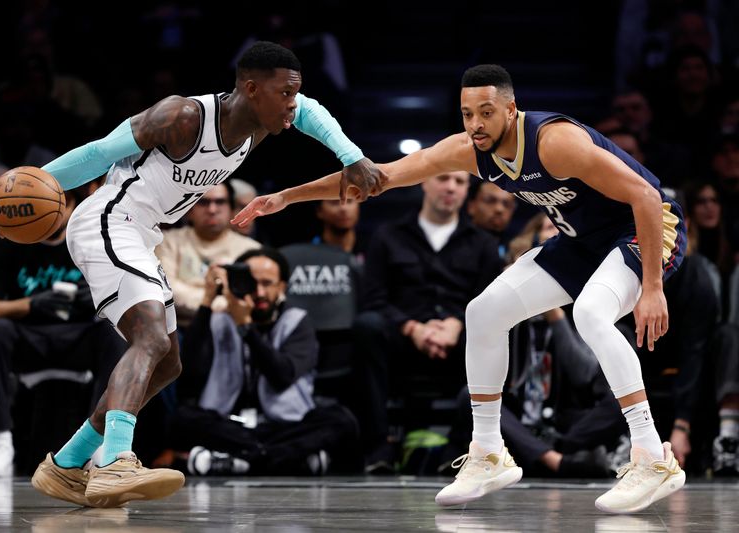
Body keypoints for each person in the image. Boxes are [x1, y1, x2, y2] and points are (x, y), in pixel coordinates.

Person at [233, 64, 688, 514]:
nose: (475, 125)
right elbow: (380, 177)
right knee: (483, 313)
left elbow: (647, 197)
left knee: (590, 313)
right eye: (467, 114)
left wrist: (652, 287)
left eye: (486, 112)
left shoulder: (555, 142)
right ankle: (488, 453)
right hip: (580, 241)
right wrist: (286, 197)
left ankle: (652, 456)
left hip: (645, 228)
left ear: (512, 110)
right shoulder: (470, 150)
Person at [21, 41, 386, 508]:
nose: (294, 105)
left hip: (143, 232)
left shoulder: (267, 119)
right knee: (149, 338)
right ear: (251, 89)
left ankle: (68, 465)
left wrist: (350, 156)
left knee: (169, 362)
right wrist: (32, 184)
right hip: (109, 219)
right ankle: (114, 462)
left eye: (296, 94)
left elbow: (313, 111)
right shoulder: (181, 117)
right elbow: (97, 153)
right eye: (286, 94)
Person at [351, 171, 501, 473]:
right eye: (443, 179)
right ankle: (379, 450)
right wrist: (413, 328)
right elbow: (375, 299)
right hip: (402, 342)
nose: (451, 187)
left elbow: (488, 301)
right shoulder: (388, 236)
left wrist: (457, 324)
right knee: (367, 325)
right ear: (424, 183)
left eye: (460, 182)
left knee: (499, 334)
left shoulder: (483, 244)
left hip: (460, 344)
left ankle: (460, 449)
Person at [171, 247, 358, 476]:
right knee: (181, 418)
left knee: (341, 421)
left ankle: (240, 460)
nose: (259, 292)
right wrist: (208, 300)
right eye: (252, 283)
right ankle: (288, 459)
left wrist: (246, 328)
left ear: (282, 287)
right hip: (229, 423)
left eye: (268, 283)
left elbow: (282, 376)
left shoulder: (297, 322)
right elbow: (189, 371)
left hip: (284, 424)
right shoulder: (218, 321)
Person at [0, 188, 125, 477]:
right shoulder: (8, 242)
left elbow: (124, 300)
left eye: (57, 206)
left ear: (71, 207)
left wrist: (98, 298)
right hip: (31, 336)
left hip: (79, 336)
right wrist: (32, 303)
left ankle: (101, 440)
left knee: (113, 330)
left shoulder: (91, 242)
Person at [156, 181, 260, 327]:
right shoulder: (167, 242)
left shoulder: (251, 249)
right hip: (178, 326)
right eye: (203, 202)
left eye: (220, 202)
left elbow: (249, 299)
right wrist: (219, 302)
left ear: (231, 209)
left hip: (231, 327)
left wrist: (205, 301)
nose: (212, 209)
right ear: (189, 210)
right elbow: (167, 290)